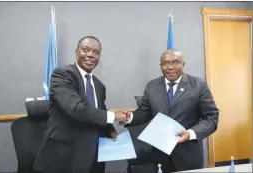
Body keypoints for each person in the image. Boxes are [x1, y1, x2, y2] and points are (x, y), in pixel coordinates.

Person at [33, 36, 129, 173]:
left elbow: (99, 110)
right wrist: (114, 116)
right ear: (76, 51)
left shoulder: (99, 85)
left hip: (94, 154)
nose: (90, 55)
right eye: (85, 50)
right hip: (65, 155)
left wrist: (110, 129)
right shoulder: (62, 75)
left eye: (96, 52)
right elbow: (76, 109)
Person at [124, 49, 219, 173]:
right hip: (159, 155)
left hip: (188, 155)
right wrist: (130, 117)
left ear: (183, 64)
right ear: (160, 66)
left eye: (176, 62)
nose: (170, 67)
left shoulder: (198, 85)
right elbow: (145, 113)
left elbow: (211, 118)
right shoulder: (152, 86)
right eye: (165, 63)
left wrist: (190, 133)